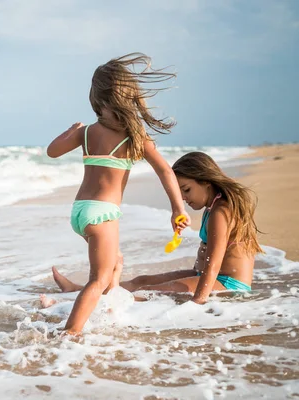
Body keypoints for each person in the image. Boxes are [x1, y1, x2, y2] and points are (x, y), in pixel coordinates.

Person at [46, 53, 190, 335]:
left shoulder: (85, 132)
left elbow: (52, 152)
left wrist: (69, 131)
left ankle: (109, 313)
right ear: (128, 97)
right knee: (97, 279)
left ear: (96, 97)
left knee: (116, 263)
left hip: (80, 211)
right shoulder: (134, 136)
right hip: (103, 213)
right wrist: (177, 209)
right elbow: (165, 171)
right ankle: (70, 334)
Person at [52, 151, 262, 305]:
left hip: (228, 285)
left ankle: (75, 304)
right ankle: (80, 293)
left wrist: (198, 302)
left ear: (206, 181)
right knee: (141, 281)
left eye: (186, 190)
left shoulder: (220, 211)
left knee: (150, 292)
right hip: (204, 275)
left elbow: (213, 263)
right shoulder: (212, 207)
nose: (183, 198)